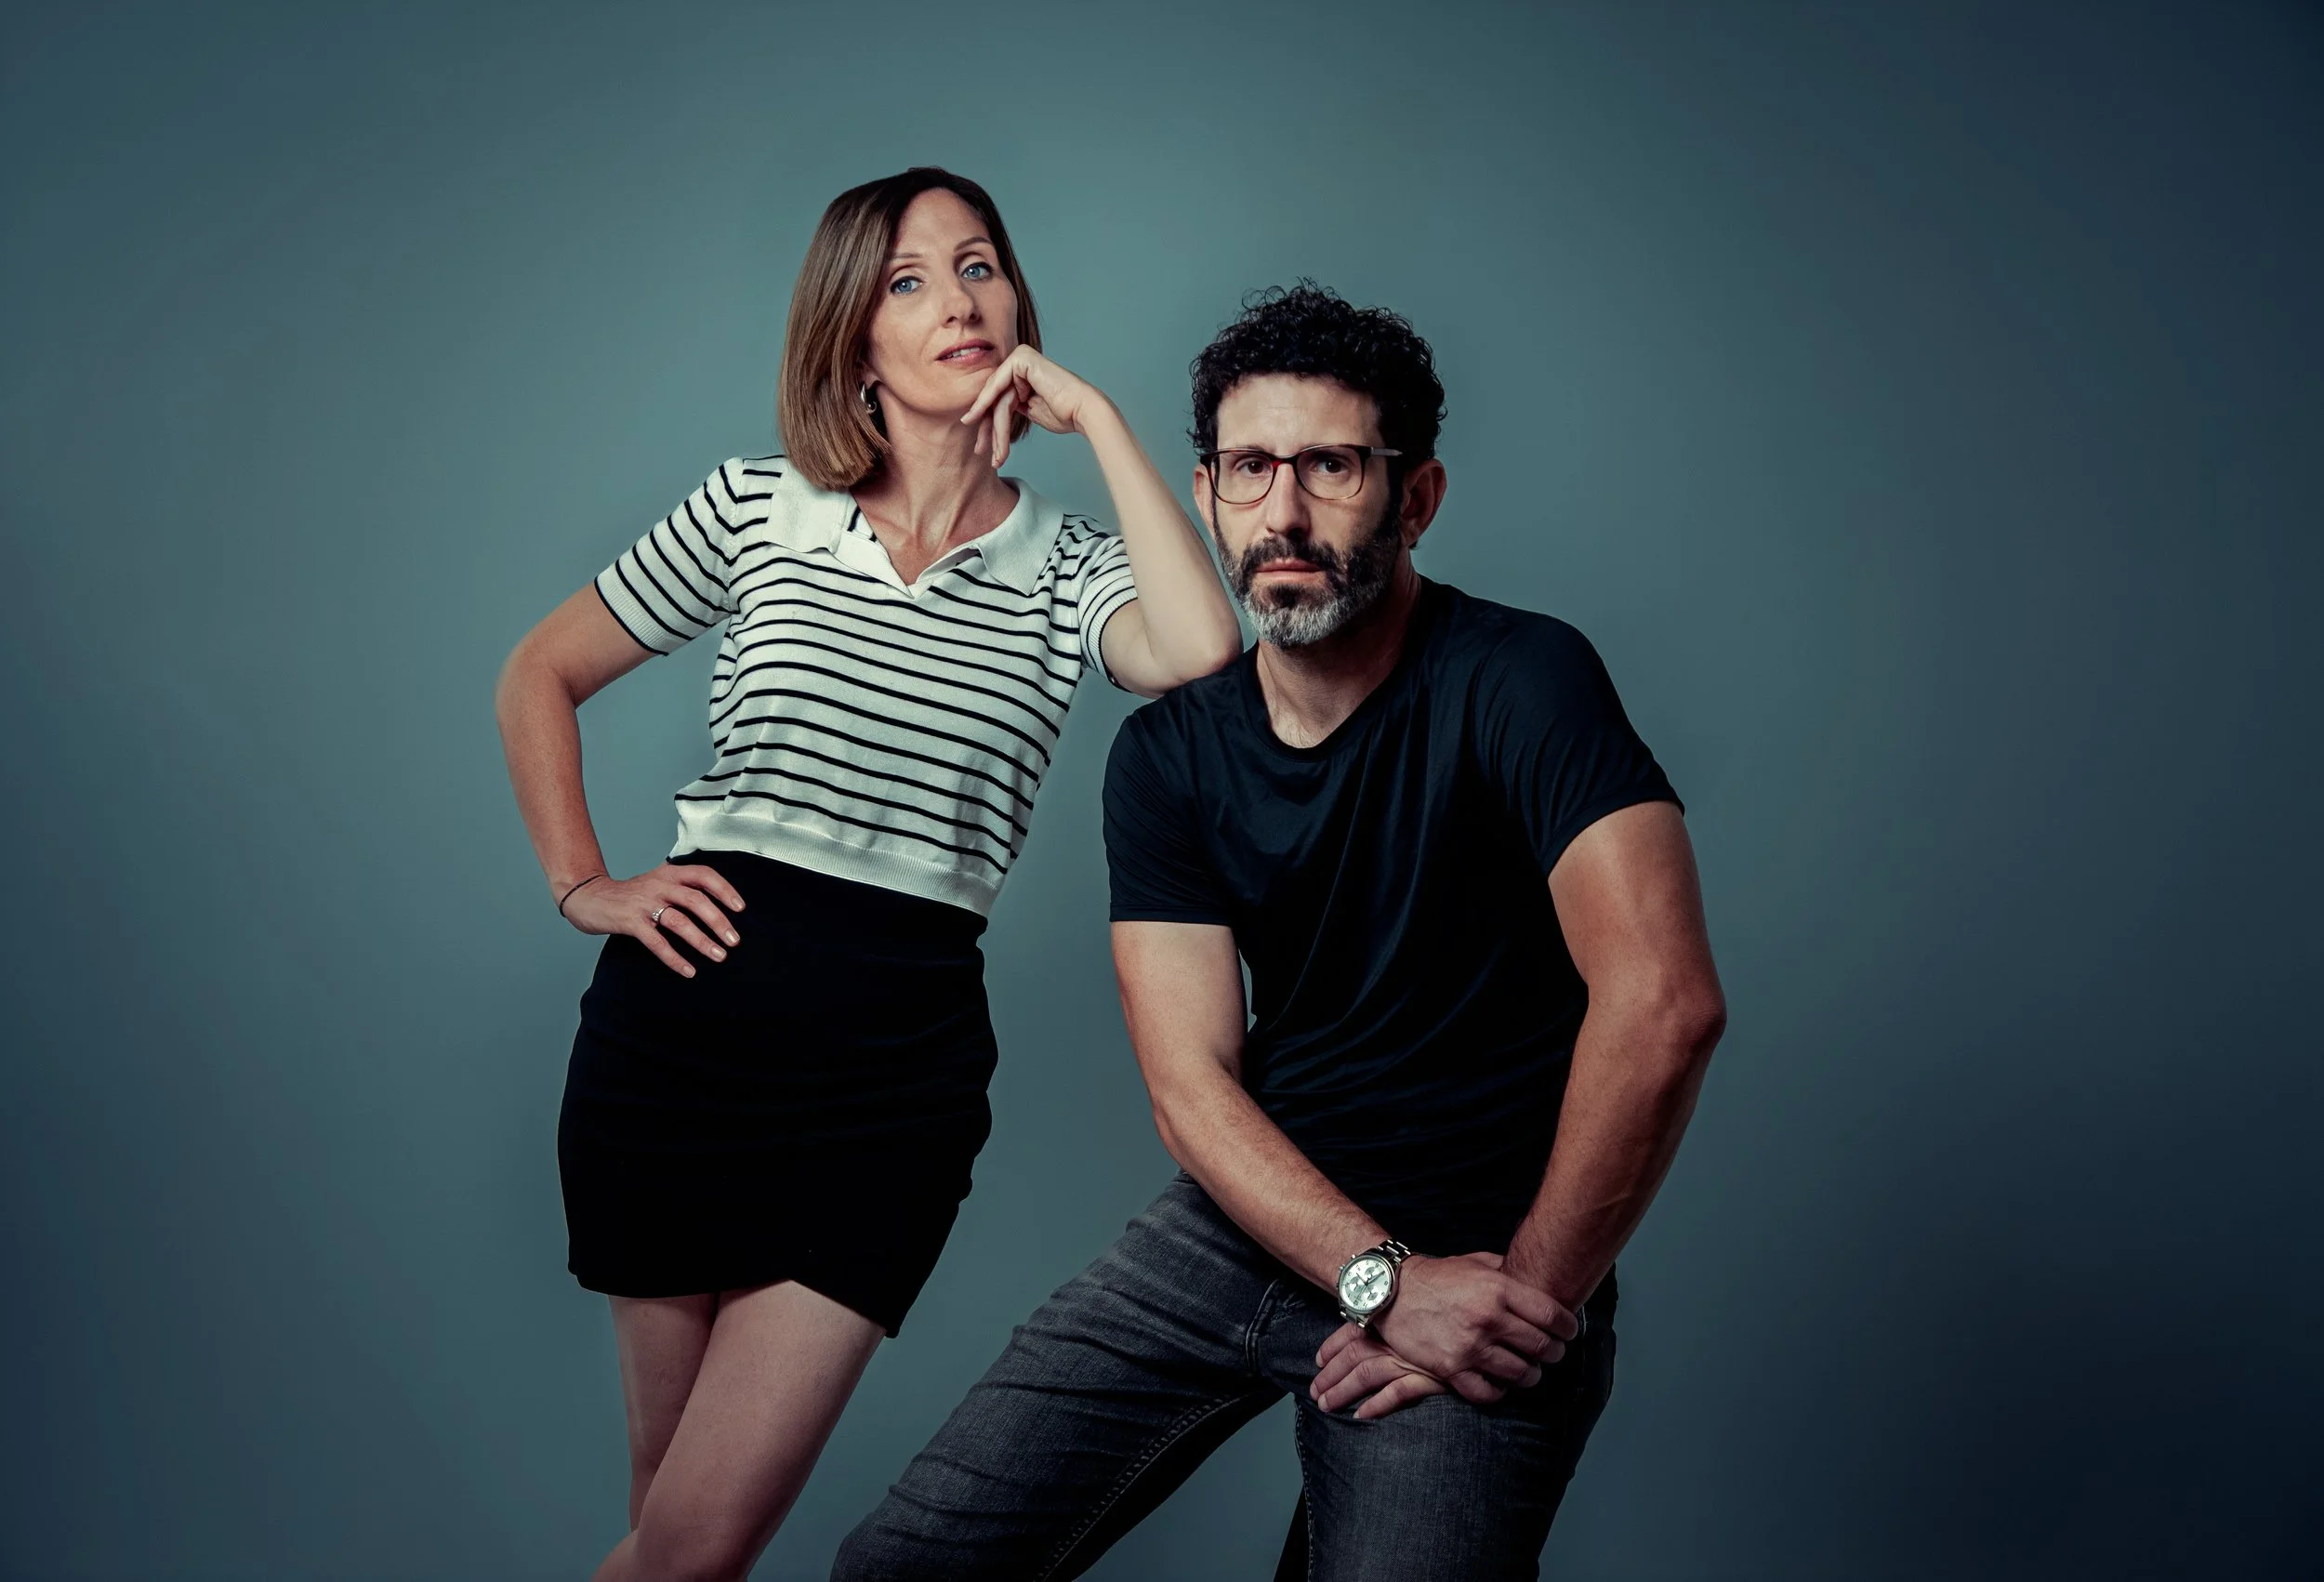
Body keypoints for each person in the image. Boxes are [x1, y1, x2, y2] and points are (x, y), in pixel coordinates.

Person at [834, 283, 1727, 1581]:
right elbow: (1188, 1082)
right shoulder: (1169, 757)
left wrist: (1514, 1300)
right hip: (1249, 1223)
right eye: (1249, 469)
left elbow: (1664, 1004)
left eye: (1332, 467)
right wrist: (1376, 1277)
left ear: (1414, 498)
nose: (1285, 514)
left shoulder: (1524, 680)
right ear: (1204, 494)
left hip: (1493, 1249)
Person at [492, 167, 1239, 1582]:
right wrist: (586, 883)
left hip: (889, 1083)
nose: (957, 297)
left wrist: (1106, 428)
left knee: (688, 1548)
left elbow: (1200, 651)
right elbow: (539, 672)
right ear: (854, 341)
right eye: (908, 280)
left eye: (979, 266)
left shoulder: (1071, 565)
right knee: (677, 1547)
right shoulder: (757, 507)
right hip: (678, 1042)